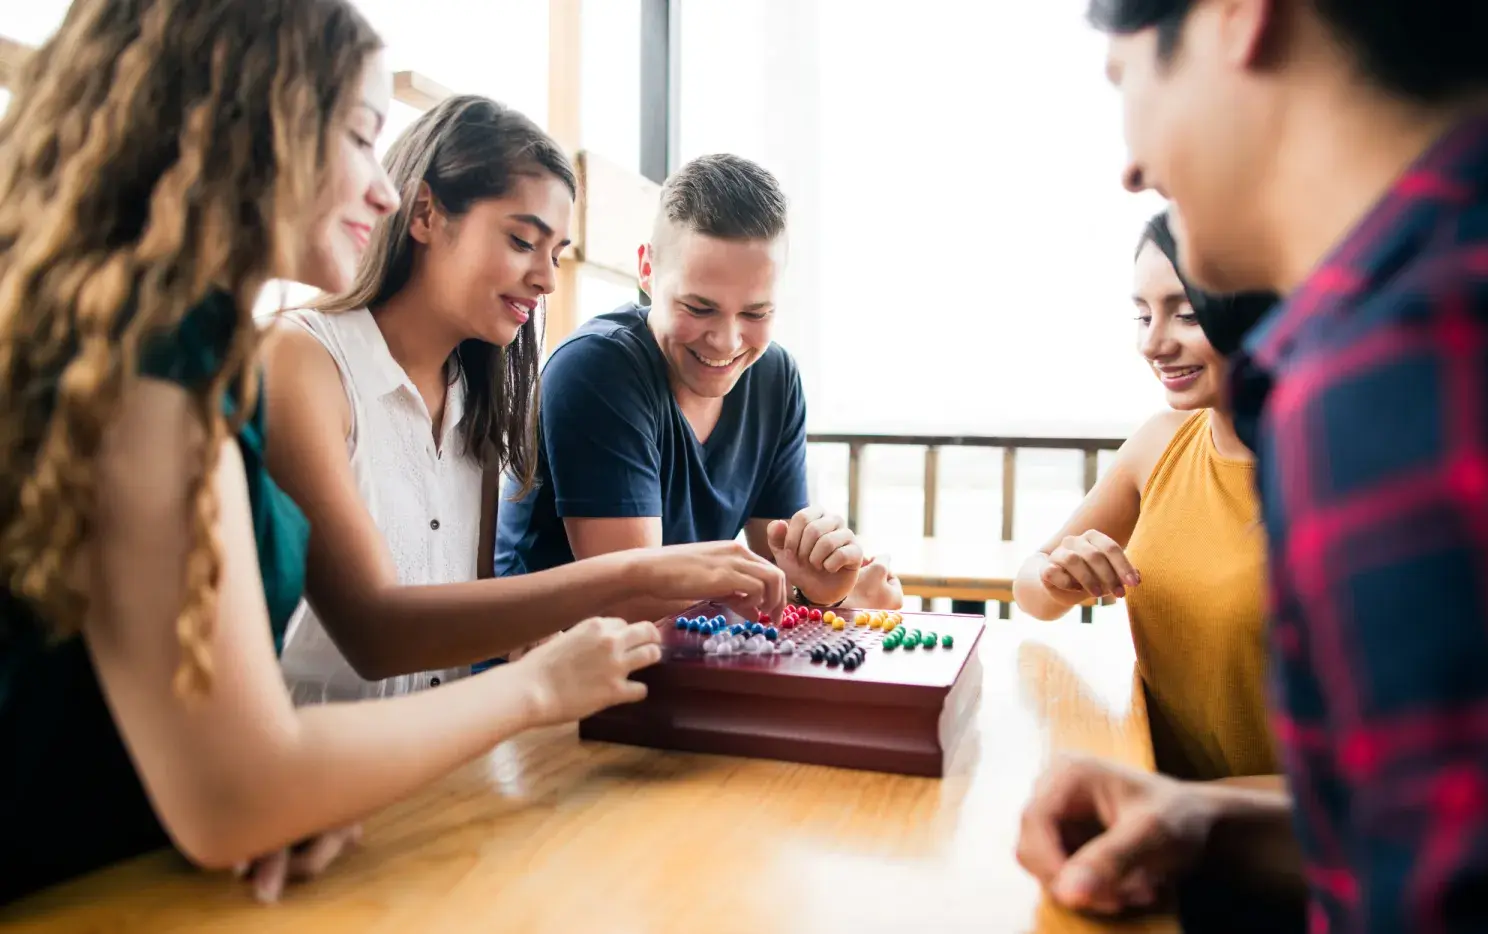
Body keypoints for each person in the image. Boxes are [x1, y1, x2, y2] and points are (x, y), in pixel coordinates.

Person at [0, 0, 668, 906]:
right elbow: (237, 784)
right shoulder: (159, 378)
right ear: (239, 127)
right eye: (360, 137)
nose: (385, 188)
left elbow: (219, 762)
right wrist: (540, 687)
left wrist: (302, 794)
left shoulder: (185, 360)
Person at [1016, 1, 1488, 931]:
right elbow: (1421, 832)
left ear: (1237, 17)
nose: (1132, 166)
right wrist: (1202, 818)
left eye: (1129, 82)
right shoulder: (1376, 337)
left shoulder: (1402, 364)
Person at [261, 96, 786, 704]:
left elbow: (476, 623)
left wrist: (543, 644)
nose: (548, 277)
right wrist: (636, 573)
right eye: (522, 241)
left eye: (556, 252)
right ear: (426, 213)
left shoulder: (477, 401)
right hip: (314, 770)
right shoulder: (303, 359)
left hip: (444, 760)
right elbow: (376, 634)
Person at [494, 154, 902, 615]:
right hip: (544, 667)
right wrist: (806, 597)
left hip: (677, 665)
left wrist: (826, 587)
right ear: (647, 271)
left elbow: (782, 569)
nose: (727, 342)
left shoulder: (774, 377)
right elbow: (635, 602)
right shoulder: (595, 368)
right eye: (699, 307)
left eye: (756, 313)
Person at [1014, 211, 1280, 783]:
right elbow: (1030, 590)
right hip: (1159, 812)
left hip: (1274, 846)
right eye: (1142, 314)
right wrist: (1060, 575)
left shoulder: (1336, 479)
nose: (1152, 343)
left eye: (1186, 314)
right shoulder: (1160, 442)